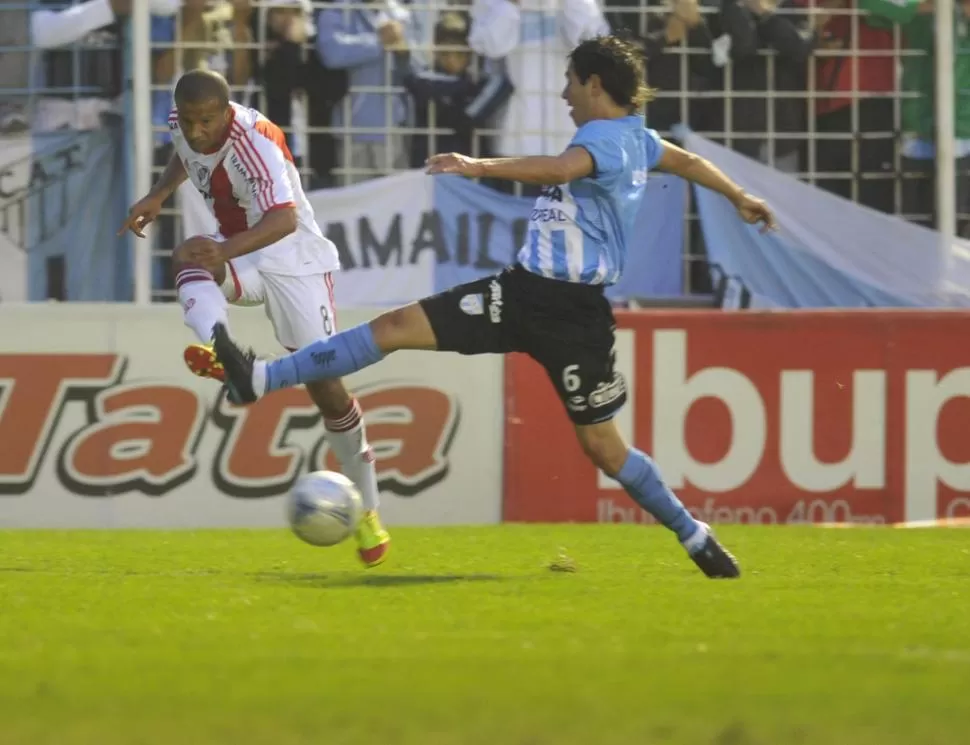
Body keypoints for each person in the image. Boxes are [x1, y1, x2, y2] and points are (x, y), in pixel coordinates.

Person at [211, 36, 777, 579]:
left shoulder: (605, 139)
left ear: (595, 84)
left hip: (572, 314)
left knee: (603, 449)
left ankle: (693, 533)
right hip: (521, 292)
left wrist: (477, 165)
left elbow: (560, 171)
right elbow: (686, 162)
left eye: (570, 84)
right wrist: (740, 196)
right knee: (395, 325)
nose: (564, 96)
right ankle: (259, 378)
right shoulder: (638, 139)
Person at [118, 69, 390, 568]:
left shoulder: (256, 143)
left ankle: (369, 509)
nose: (197, 131)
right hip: (242, 256)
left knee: (326, 387)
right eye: (190, 120)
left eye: (207, 121)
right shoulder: (183, 121)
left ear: (226, 111)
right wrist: (159, 194)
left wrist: (222, 249)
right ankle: (222, 345)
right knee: (186, 258)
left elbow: (284, 218)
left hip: (294, 261)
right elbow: (186, 152)